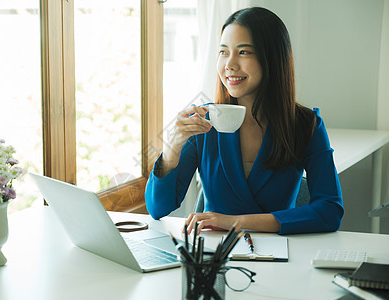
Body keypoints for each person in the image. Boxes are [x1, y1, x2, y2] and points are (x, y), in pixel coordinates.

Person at [145, 7, 344, 235]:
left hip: (279, 255)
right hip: (214, 255)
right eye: (223, 52)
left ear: (272, 59)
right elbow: (157, 209)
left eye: (244, 52)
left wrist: (236, 221)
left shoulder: (305, 125)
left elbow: (330, 211)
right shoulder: (204, 121)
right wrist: (172, 151)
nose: (229, 64)